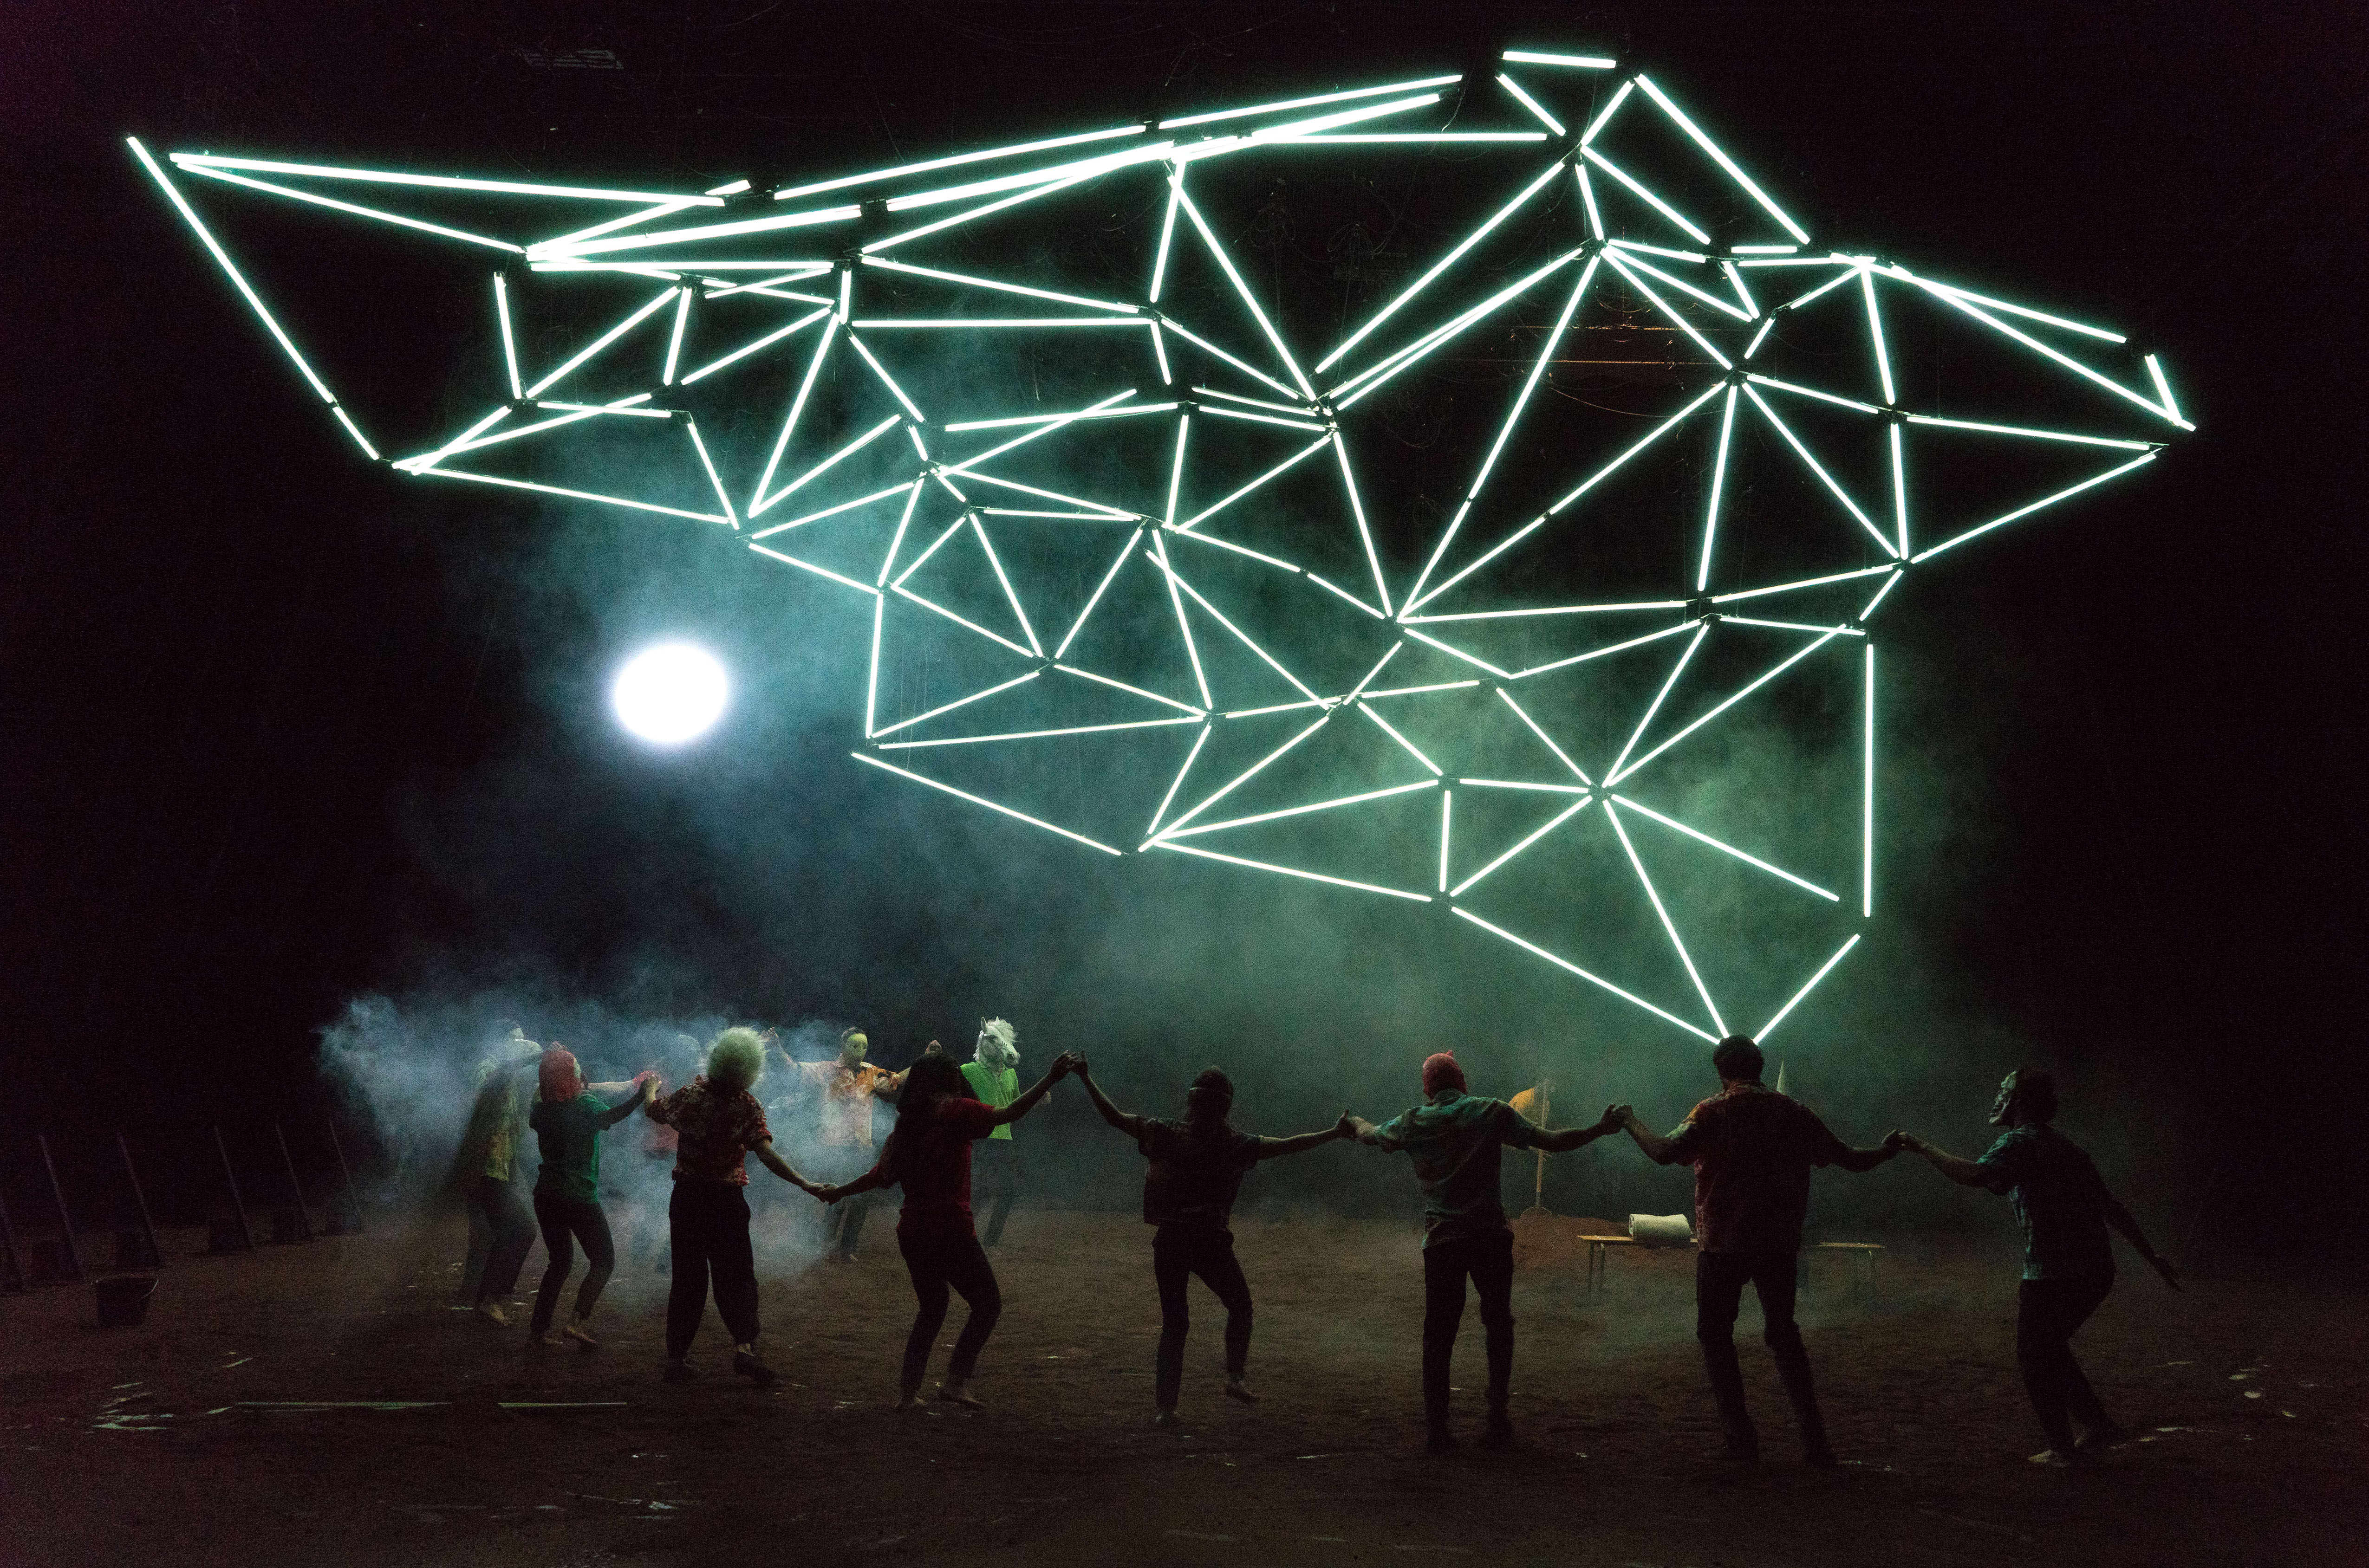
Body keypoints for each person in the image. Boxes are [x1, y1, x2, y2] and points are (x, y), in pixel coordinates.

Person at [1610, 1034, 1899, 1467]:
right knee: (1784, 1334)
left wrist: (1630, 1120)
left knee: (1715, 1334)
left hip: (1724, 1242)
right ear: (1760, 1068)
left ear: (1722, 1072)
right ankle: (1816, 1443)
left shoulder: (1712, 1111)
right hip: (1779, 1243)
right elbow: (1853, 1159)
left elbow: (1665, 1151)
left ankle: (1741, 1440)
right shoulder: (1793, 1112)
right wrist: (1889, 1150)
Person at [1892, 1069, 2180, 1466]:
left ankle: (2064, 1449)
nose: (1997, 1098)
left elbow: (1975, 1175)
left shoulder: (2019, 1142)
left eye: (2004, 1091)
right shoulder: (2067, 1147)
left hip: (2052, 1273)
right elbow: (2110, 1207)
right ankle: (2097, 1424)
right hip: (2095, 1271)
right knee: (2049, 1347)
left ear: (2020, 1101)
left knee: (2034, 1355)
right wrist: (2152, 1256)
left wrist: (1921, 1147)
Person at [1343, 1051, 1623, 1453]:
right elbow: (1555, 1142)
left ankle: (1438, 1431)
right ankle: (1497, 1422)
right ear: (1462, 1081)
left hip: (1444, 1239)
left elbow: (1371, 1135)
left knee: (1438, 1335)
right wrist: (1601, 1128)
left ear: (1427, 1087)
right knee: (1498, 1325)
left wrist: (1351, 1123)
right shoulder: (1491, 1112)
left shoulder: (1414, 1121)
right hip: (1489, 1235)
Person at [1073, 1059, 1347, 1426]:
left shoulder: (1167, 1133)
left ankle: (1166, 1409)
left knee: (1176, 1323)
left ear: (1192, 1101)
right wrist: (1333, 1132)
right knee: (1240, 1305)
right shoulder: (1234, 1145)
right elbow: (1290, 1146)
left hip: (1171, 1240)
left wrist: (1086, 1076)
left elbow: (1113, 1116)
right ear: (1225, 1107)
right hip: (1210, 1243)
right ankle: (1235, 1377)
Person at [815, 1050, 1079, 1409]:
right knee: (987, 1305)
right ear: (948, 1082)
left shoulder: (908, 1126)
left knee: (933, 1308)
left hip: (913, 1232)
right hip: (951, 1230)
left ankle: (908, 1394)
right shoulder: (955, 1112)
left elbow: (880, 1177)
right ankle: (955, 1381)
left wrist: (838, 1193)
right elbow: (1008, 1114)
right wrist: (1049, 1079)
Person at [644, 1026, 820, 1386]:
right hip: (727, 1202)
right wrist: (804, 1182)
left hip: (690, 1197)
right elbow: (766, 1154)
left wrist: (649, 1090)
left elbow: (656, 1112)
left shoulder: (692, 1095)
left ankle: (676, 1359)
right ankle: (745, 1349)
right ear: (751, 1068)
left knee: (688, 1281)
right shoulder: (747, 1104)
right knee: (737, 1277)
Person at [526, 1045, 654, 1349]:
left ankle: (538, 1330)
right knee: (604, 1260)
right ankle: (575, 1322)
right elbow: (611, 1115)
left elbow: (578, 1089)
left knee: (559, 1263)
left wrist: (629, 1084)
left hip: (546, 1194)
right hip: (578, 1194)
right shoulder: (583, 1105)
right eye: (574, 1068)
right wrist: (641, 1094)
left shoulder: (539, 1107)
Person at [790, 1028, 906, 1262]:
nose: (860, 1051)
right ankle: (825, 1244)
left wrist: (926, 1060)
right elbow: (796, 1069)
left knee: (862, 1198)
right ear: (843, 1047)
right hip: (836, 1145)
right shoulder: (827, 1070)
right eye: (855, 1046)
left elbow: (898, 1080)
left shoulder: (871, 1072)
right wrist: (780, 1050)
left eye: (863, 1046)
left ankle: (847, 1248)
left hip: (862, 1145)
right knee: (838, 1196)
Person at [454, 1027, 542, 1324]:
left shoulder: (515, 1078)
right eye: (516, 1040)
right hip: (483, 1168)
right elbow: (491, 1088)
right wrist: (538, 1056)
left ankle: (483, 1295)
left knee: (498, 1232)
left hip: (500, 1168)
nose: (522, 1046)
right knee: (516, 1231)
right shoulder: (491, 1069)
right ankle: (488, 1298)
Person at [961, 1018, 1024, 1247]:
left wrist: (1036, 1102)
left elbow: (1017, 1105)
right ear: (984, 1043)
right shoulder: (967, 1072)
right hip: (978, 1140)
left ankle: (990, 1241)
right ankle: (964, 1236)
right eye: (996, 1041)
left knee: (1009, 1192)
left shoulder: (1011, 1076)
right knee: (980, 1191)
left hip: (1005, 1140)